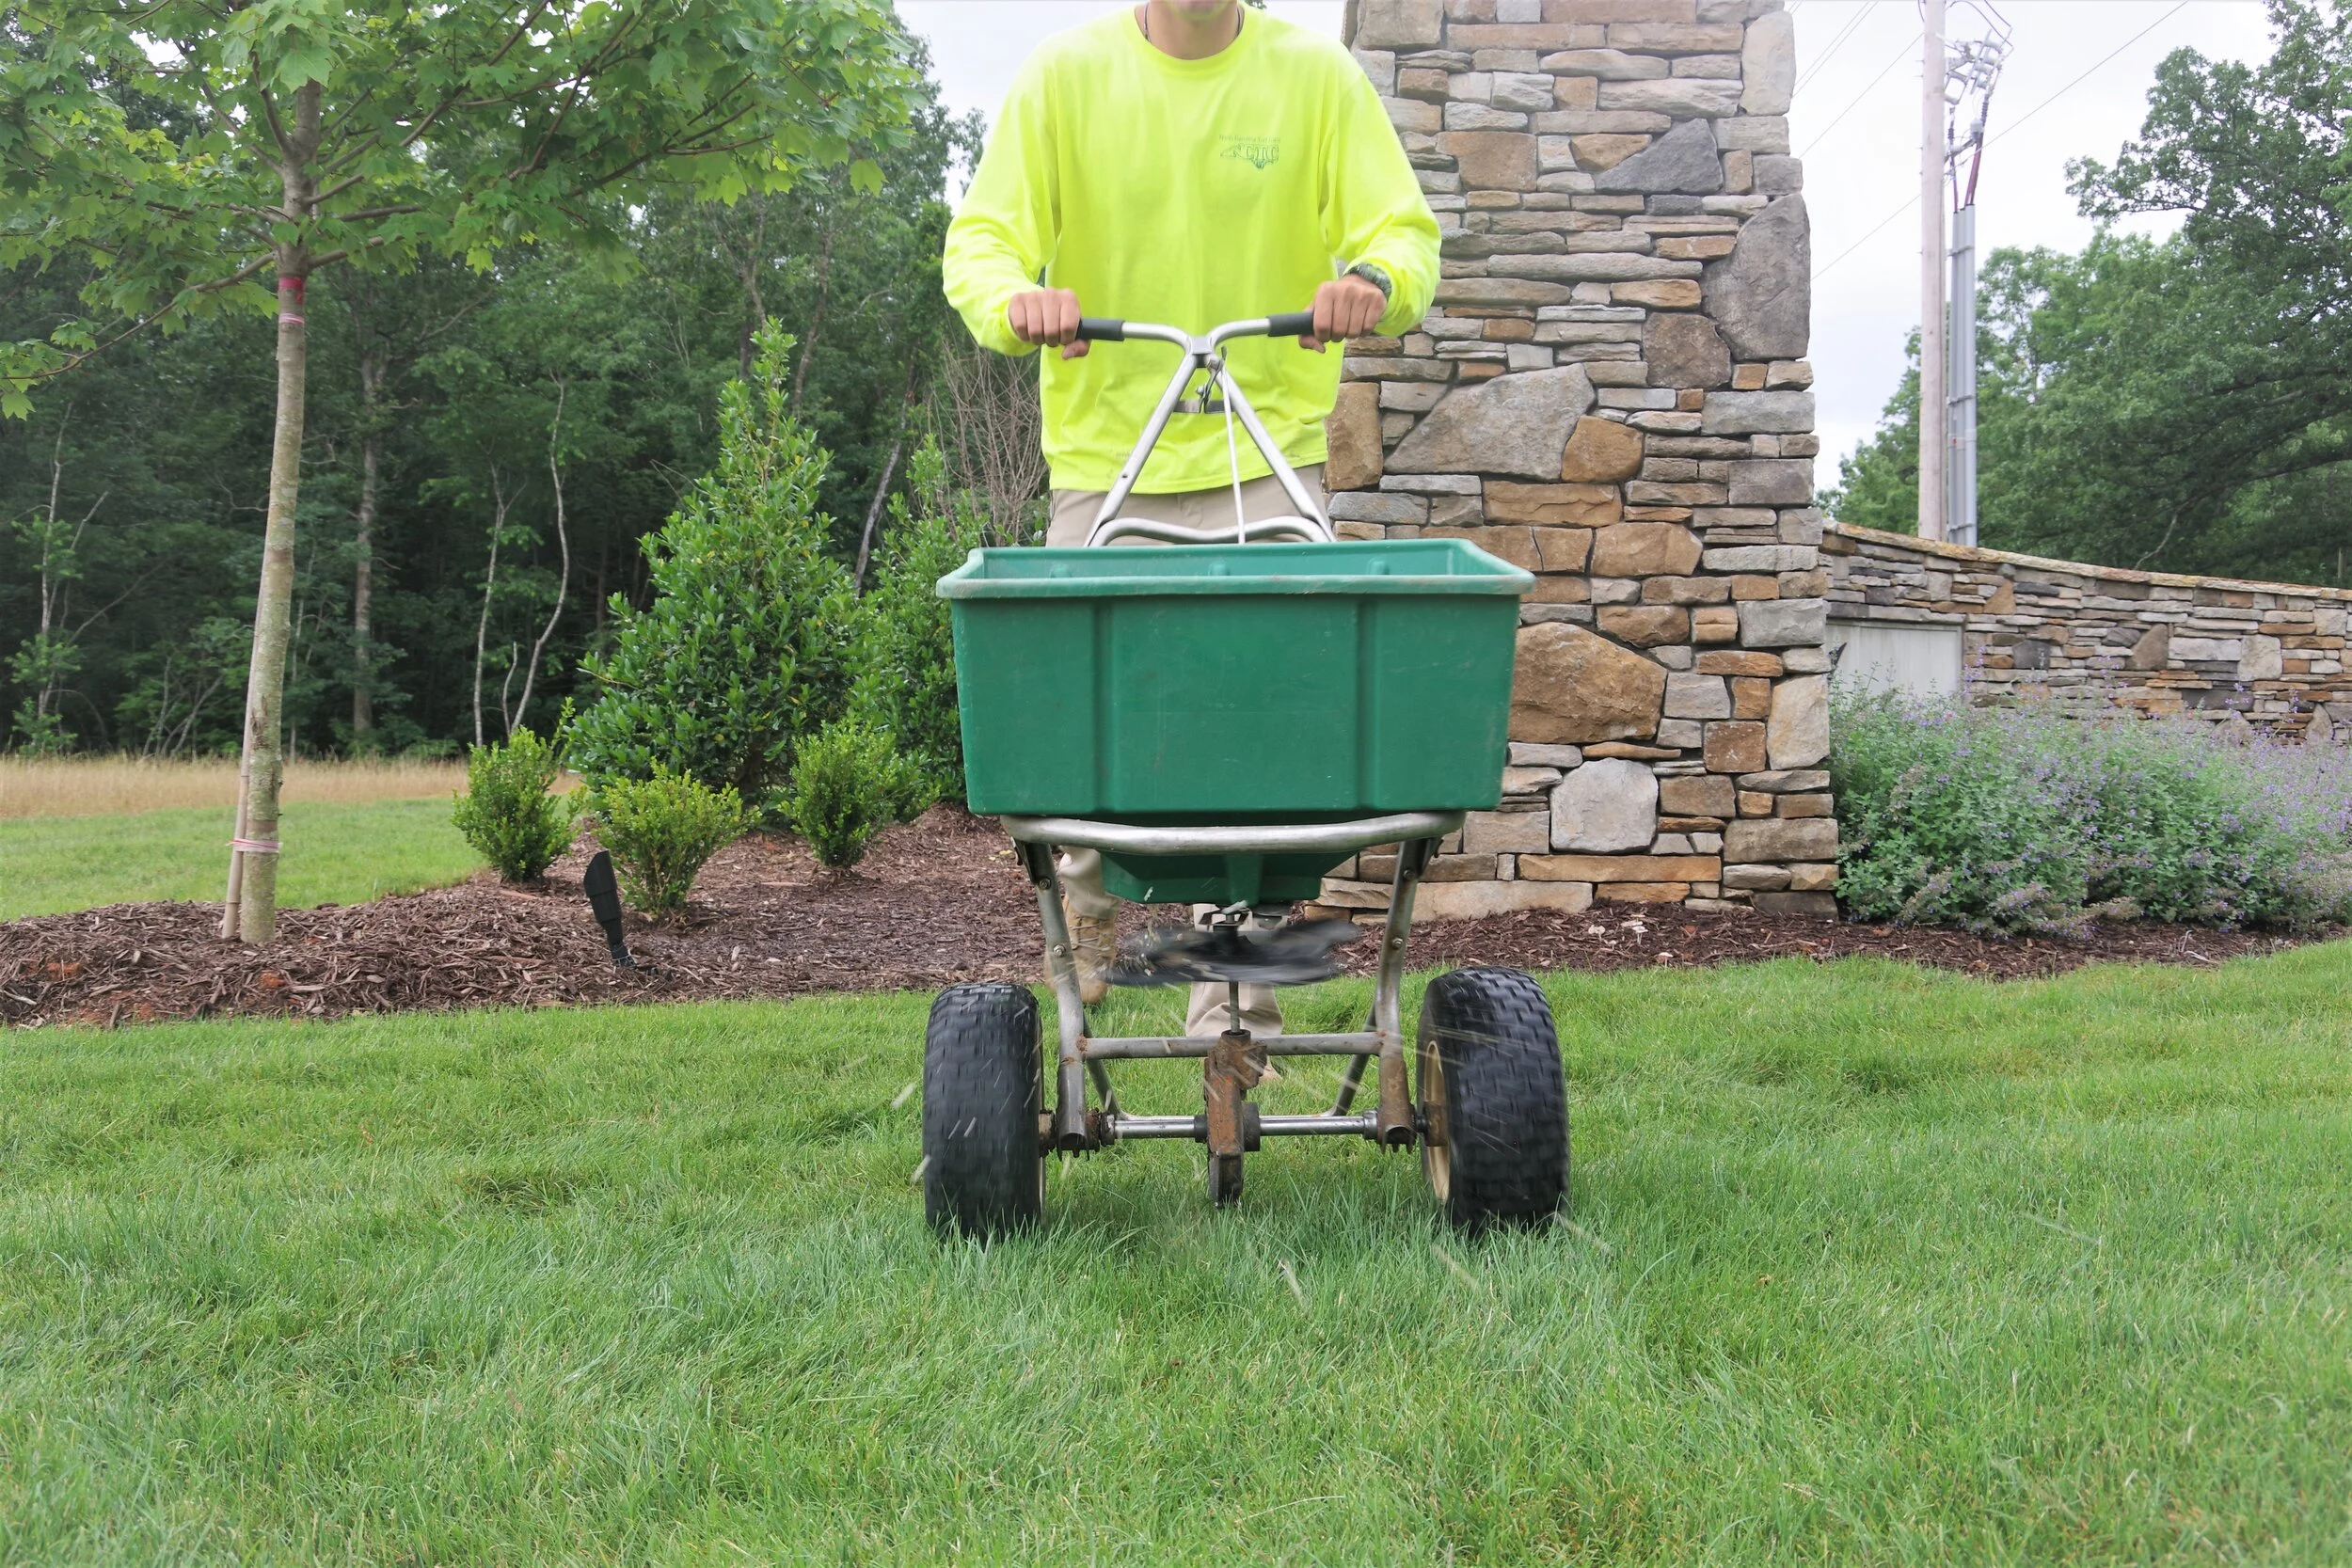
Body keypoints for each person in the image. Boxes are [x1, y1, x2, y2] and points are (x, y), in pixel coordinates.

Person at [942, 0, 1438, 1034]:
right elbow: (982, 243)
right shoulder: (1065, 78)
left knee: (1264, 740)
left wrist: (1372, 281)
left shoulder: (1313, 78)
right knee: (1071, 734)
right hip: (1105, 458)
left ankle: (1235, 1001)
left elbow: (1402, 233)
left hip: (1266, 455)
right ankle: (1082, 920)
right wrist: (1015, 304)